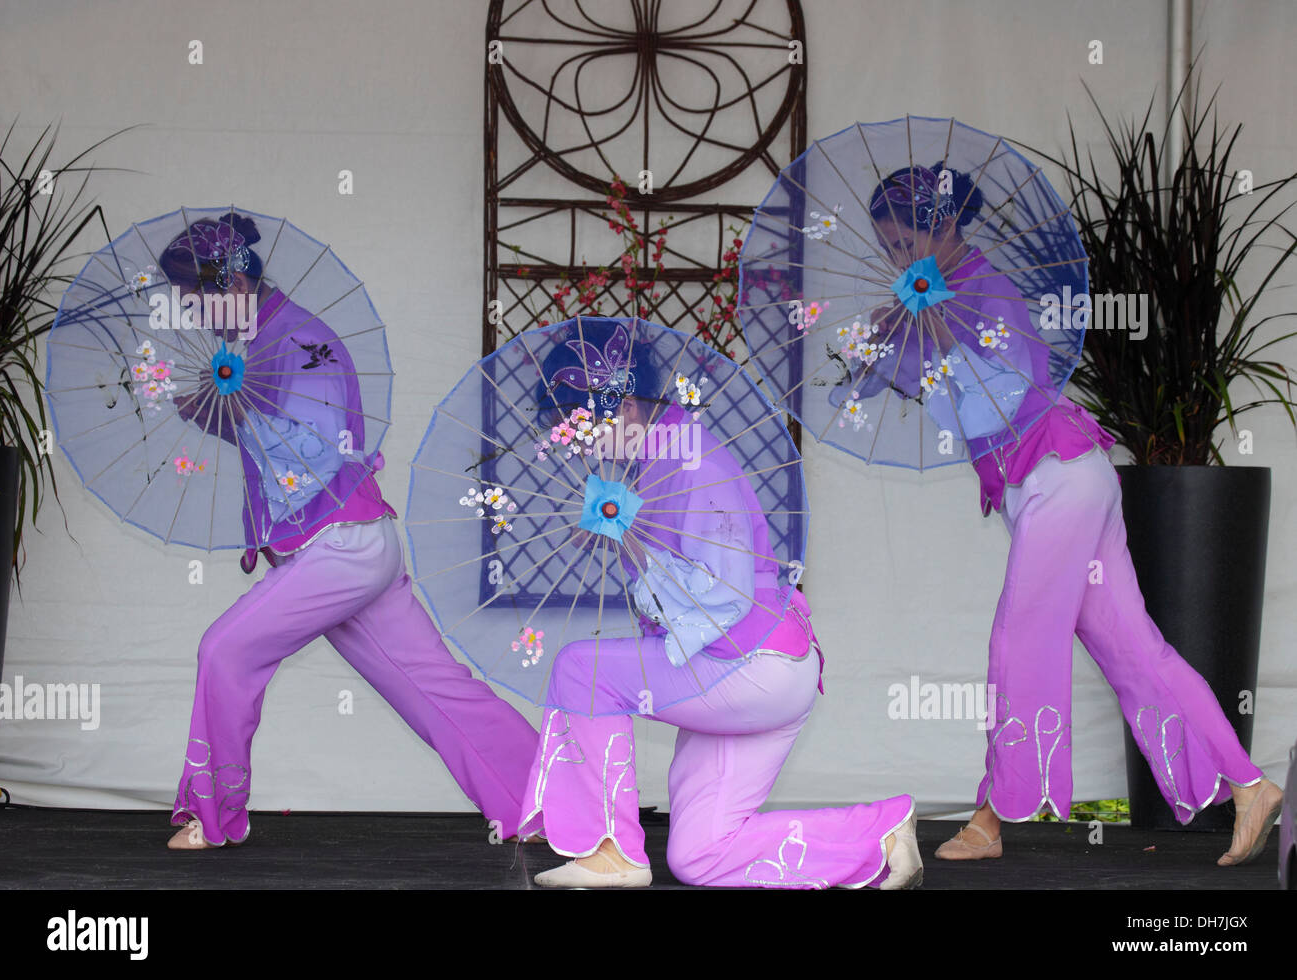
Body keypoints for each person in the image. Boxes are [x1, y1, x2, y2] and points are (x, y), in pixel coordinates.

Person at [853, 166, 1282, 866]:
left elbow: (1020, 372)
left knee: (1019, 639)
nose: (898, 260)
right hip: (1057, 485)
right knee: (1137, 651)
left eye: (904, 244)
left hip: (1061, 478)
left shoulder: (982, 290)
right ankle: (1249, 782)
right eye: (890, 250)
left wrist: (937, 323)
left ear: (942, 228)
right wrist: (887, 338)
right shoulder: (937, 304)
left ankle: (990, 819)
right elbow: (913, 384)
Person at [158, 213, 539, 849]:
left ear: (238, 284)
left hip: (341, 547)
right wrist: (217, 415)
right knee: (436, 689)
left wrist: (245, 400)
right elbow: (272, 451)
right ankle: (550, 802)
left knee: (224, 650)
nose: (192, 310)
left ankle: (211, 813)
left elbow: (321, 454)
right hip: (350, 548)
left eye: (198, 295)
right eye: (185, 300)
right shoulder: (257, 347)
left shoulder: (301, 341)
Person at [515, 318, 921, 888]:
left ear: (626, 406)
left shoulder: (692, 463)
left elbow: (722, 597)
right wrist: (626, 528)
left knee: (583, 669)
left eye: (582, 427)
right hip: (750, 669)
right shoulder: (658, 465)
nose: (579, 443)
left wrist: (630, 533)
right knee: (700, 855)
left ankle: (610, 847)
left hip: (753, 665)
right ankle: (876, 838)